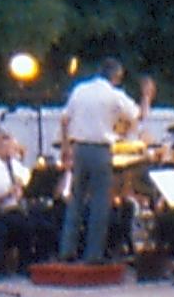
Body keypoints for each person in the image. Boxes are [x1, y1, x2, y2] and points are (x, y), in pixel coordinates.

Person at [56, 56, 140, 264]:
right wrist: (145, 98)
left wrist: (66, 147)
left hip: (79, 147)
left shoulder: (80, 89)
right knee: (99, 202)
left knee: (76, 199)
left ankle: (67, 249)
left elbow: (65, 119)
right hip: (100, 148)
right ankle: (93, 254)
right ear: (115, 76)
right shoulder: (113, 95)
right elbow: (136, 115)